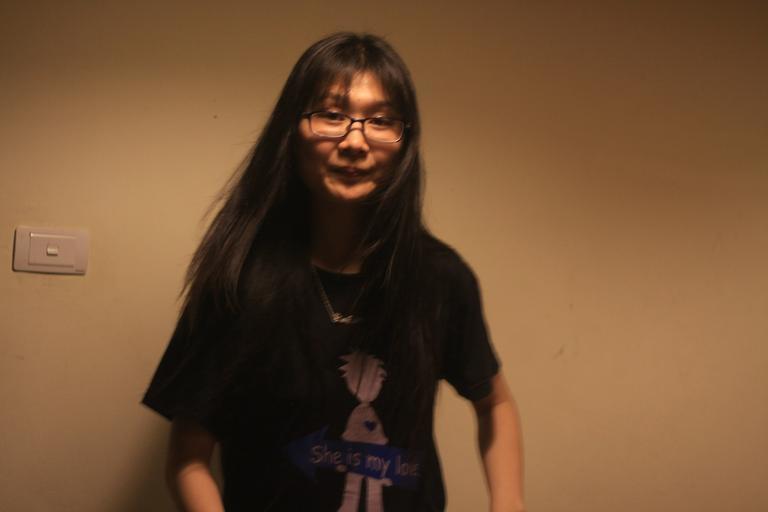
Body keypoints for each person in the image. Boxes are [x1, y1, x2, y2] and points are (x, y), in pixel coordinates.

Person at [142, 32, 525, 512]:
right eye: (331, 115)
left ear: (405, 142)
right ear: (292, 130)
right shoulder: (239, 280)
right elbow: (187, 458)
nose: (355, 141)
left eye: (381, 121)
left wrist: (508, 503)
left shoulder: (440, 278)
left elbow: (495, 404)